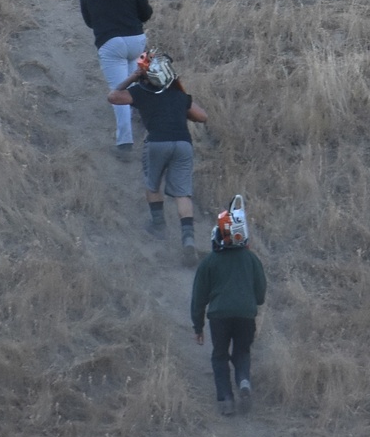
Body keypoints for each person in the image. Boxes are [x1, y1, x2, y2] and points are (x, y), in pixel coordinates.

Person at [108, 49, 207, 265]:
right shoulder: (179, 95)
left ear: (146, 75)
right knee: (182, 194)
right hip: (183, 144)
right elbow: (202, 116)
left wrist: (133, 77)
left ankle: (158, 224)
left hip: (157, 143)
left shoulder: (141, 92)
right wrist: (182, 109)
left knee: (153, 185)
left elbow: (113, 97)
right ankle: (188, 240)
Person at [191, 196, 267, 417]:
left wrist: (198, 327)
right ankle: (243, 380)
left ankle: (226, 399)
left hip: (219, 317)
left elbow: (198, 298)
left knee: (220, 355)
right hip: (246, 315)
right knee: (242, 351)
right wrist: (252, 302)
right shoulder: (252, 260)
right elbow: (260, 293)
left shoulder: (209, 263)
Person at [79, 0, 153, 154]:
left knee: (119, 91)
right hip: (136, 39)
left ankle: (125, 142)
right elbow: (146, 13)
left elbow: (89, 22)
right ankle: (152, 132)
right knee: (135, 88)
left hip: (111, 44)